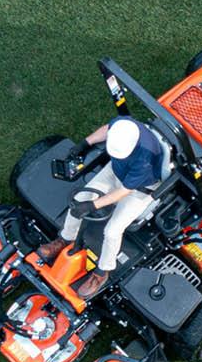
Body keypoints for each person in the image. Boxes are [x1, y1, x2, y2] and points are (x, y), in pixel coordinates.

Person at [36, 117, 171, 297]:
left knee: (113, 231)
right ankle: (65, 238)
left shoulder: (146, 157)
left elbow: (123, 192)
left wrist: (92, 205)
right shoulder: (124, 126)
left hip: (139, 190)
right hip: (115, 170)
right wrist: (84, 143)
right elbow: (107, 128)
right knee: (79, 198)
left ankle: (102, 272)